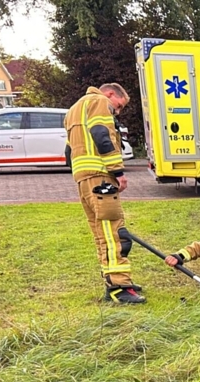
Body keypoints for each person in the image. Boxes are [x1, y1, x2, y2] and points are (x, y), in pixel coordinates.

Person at [65, 83, 143, 304]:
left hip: (84, 181)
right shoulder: (99, 102)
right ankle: (120, 287)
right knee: (114, 233)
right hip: (101, 178)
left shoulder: (74, 110)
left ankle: (112, 282)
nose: (116, 112)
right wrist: (118, 173)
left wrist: (80, 175)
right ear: (110, 94)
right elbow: (101, 135)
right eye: (118, 106)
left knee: (101, 234)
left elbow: (68, 150)